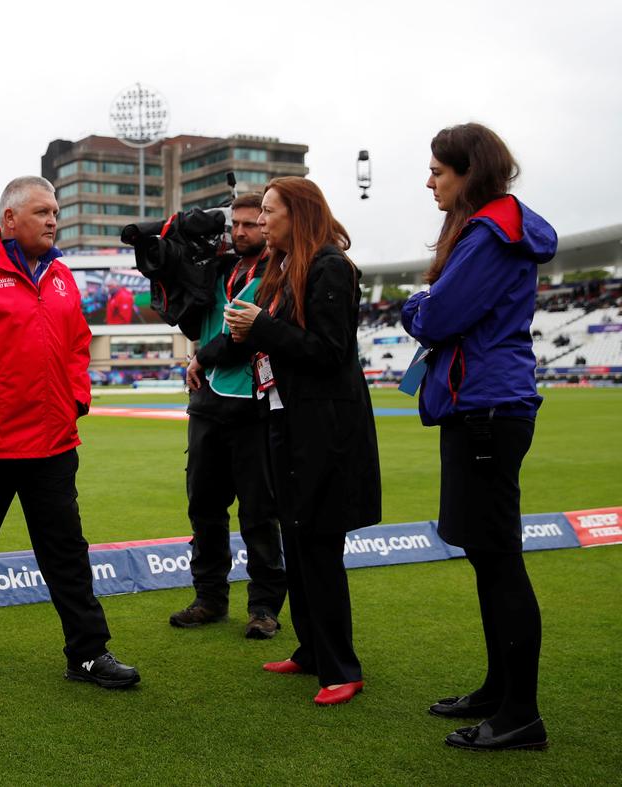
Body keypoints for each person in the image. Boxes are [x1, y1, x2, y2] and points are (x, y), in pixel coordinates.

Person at [0, 175, 139, 689]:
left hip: (53, 442)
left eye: (55, 211)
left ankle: (88, 653)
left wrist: (77, 398)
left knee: (67, 550)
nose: (53, 220)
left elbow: (77, 346)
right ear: (10, 219)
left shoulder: (62, 275)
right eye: (42, 212)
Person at [401, 123, 556, 751]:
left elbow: (435, 315)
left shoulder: (489, 234)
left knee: (498, 561)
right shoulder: (489, 230)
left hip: (487, 407)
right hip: (483, 406)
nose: (430, 181)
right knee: (488, 558)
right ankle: (500, 691)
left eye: (439, 170)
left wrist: (418, 303)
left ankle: (520, 714)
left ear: (470, 172)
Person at [224, 177, 381, 706]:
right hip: (284, 420)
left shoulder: (329, 265)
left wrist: (261, 328)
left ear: (301, 213)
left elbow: (329, 351)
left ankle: (342, 666)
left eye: (269, 212)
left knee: (318, 545)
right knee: (297, 538)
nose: (261, 221)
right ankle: (312, 649)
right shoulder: (285, 264)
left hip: (323, 429)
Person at [171, 192, 287, 637]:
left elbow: (241, 332)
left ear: (266, 225)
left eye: (251, 224)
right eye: (235, 224)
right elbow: (189, 320)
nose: (240, 231)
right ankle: (209, 599)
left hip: (254, 405)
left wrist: (200, 359)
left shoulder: (278, 272)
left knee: (259, 513)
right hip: (207, 405)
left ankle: (263, 607)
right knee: (204, 507)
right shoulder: (218, 268)